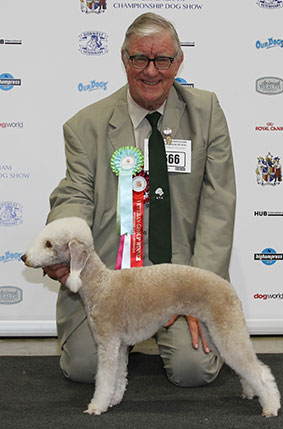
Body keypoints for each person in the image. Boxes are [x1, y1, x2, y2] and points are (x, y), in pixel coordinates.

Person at [44, 12, 236, 387]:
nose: (151, 71)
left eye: (162, 60)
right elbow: (74, 196)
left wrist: (199, 291)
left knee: (192, 371)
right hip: (110, 279)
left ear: (178, 62)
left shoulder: (207, 112)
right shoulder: (85, 127)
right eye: (139, 59)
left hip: (180, 278)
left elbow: (218, 207)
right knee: (84, 369)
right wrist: (62, 244)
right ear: (124, 59)